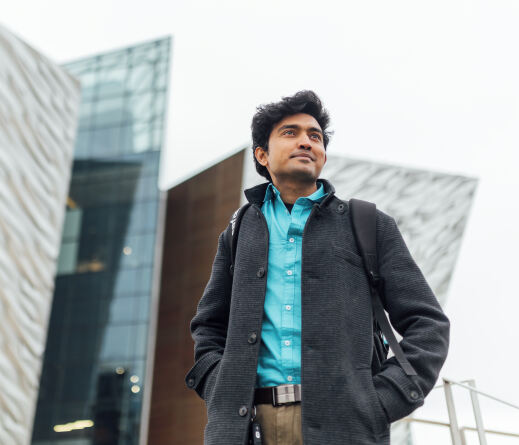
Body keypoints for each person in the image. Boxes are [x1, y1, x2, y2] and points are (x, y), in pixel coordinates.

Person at [185, 90, 450, 445]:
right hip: (247, 430)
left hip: (346, 428)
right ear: (262, 154)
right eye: (290, 133)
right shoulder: (237, 232)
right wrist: (219, 384)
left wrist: (384, 399)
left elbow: (427, 323)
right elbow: (208, 326)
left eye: (315, 136)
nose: (307, 142)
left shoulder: (368, 225)